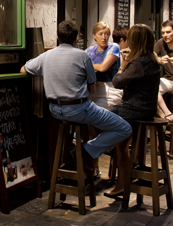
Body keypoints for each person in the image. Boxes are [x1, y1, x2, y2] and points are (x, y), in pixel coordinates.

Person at [21, 20, 132, 175]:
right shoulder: (83, 56)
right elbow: (91, 90)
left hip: (54, 111)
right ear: (76, 39)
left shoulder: (47, 56)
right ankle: (87, 150)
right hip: (78, 109)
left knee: (88, 122)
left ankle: (75, 147)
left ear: (57, 37)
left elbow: (23, 69)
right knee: (125, 128)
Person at [105, 24, 163, 197]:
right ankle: (122, 177)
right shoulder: (152, 59)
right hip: (147, 110)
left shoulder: (138, 63)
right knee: (118, 140)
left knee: (99, 118)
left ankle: (93, 151)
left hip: (133, 111)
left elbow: (117, 82)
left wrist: (122, 66)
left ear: (135, 41)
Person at [86, 21, 121, 109]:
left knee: (96, 114)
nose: (104, 37)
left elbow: (102, 67)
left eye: (106, 34)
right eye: (100, 34)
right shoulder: (90, 50)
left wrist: (89, 66)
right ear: (94, 35)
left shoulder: (113, 47)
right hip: (93, 89)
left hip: (110, 90)